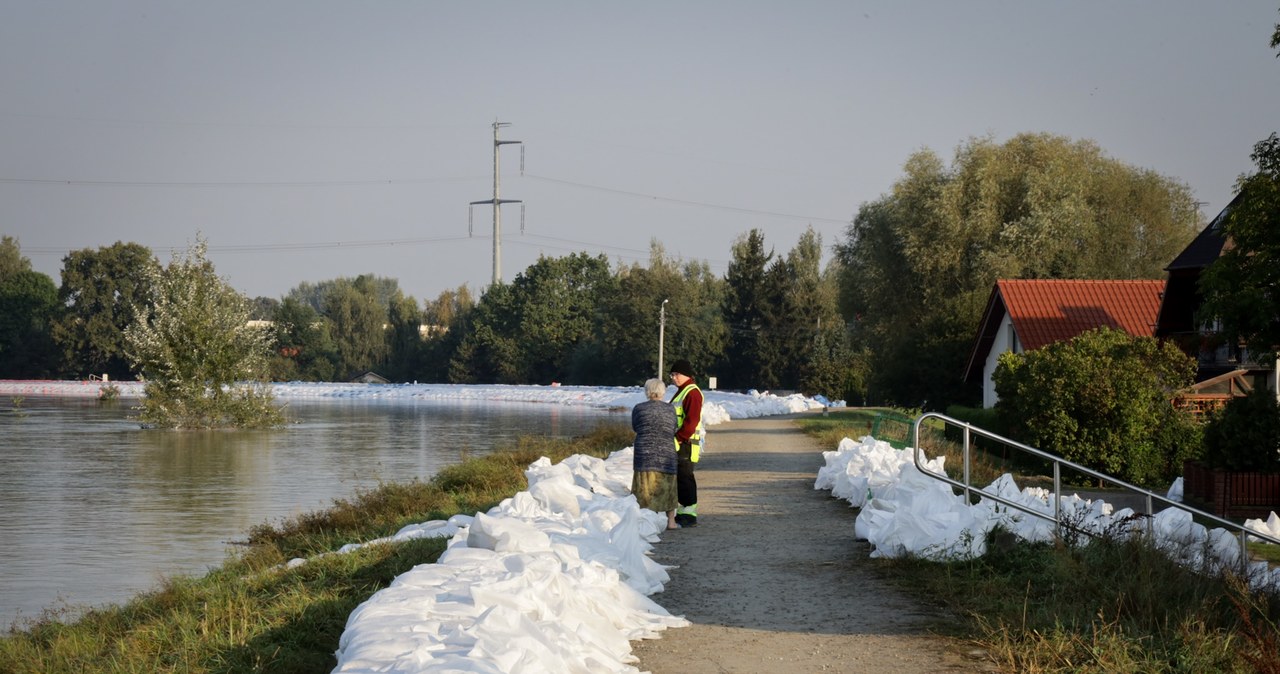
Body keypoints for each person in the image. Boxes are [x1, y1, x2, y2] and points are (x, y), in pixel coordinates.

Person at [631, 377, 680, 530]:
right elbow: (674, 427)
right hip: (666, 454)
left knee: (644, 489)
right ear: (663, 392)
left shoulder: (639, 408)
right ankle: (671, 521)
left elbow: (635, 427)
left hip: (644, 454)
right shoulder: (670, 409)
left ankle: (645, 522)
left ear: (647, 392)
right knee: (669, 487)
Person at [668, 359, 704, 527]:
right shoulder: (682, 391)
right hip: (681, 441)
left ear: (686, 375)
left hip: (686, 443)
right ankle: (683, 512)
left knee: (685, 477)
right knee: (681, 477)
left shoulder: (692, 393)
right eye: (672, 374)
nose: (674, 378)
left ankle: (689, 514)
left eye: (677, 374)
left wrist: (678, 438)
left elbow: (691, 421)